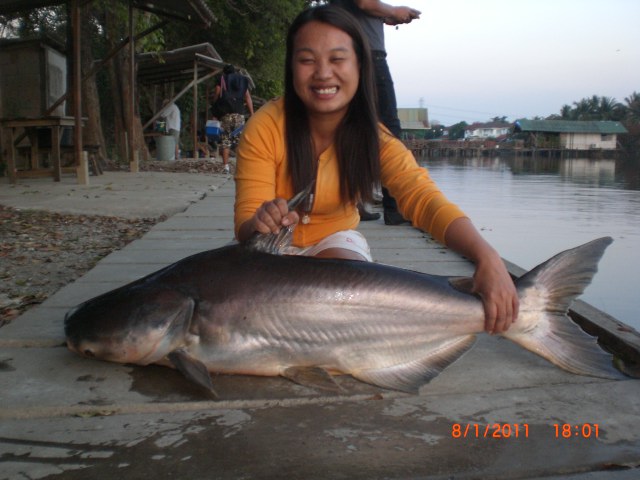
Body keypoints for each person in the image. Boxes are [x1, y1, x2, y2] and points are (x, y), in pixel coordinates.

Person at [234, 5, 518, 334]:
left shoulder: (375, 138)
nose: (323, 73)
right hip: (269, 252)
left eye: (337, 59)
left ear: (360, 67)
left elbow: (423, 199)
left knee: (345, 282)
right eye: (307, 60)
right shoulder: (264, 127)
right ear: (291, 67)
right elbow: (245, 225)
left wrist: (486, 257)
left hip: (333, 241)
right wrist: (259, 221)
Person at [330, 0, 419, 225]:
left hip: (349, 55)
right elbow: (365, 3)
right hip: (369, 56)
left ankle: (353, 202)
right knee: (389, 130)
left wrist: (389, 16)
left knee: (352, 129)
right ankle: (395, 207)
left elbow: (362, 8)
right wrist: (394, 10)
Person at [212, 64, 254, 173]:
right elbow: (248, 97)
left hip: (226, 115)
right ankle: (242, 167)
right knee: (239, 141)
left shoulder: (222, 79)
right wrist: (252, 113)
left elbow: (217, 91)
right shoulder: (242, 81)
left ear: (224, 72)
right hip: (239, 116)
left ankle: (226, 167)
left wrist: (215, 102)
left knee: (226, 140)